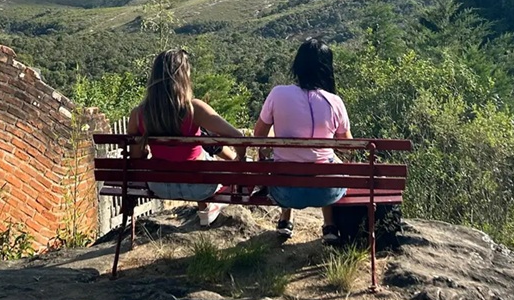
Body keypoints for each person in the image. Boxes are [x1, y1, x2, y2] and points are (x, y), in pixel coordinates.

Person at [127, 48, 246, 227]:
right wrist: (241, 160)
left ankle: (206, 210)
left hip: (160, 186)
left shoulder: (138, 114)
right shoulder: (194, 109)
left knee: (200, 155)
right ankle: (208, 208)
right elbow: (238, 137)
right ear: (183, 77)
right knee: (206, 155)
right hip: (199, 187)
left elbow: (136, 158)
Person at [253, 37, 351, 243]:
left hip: (285, 193)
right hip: (327, 194)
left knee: (285, 162)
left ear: (297, 65)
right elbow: (347, 147)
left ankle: (285, 218)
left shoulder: (278, 93)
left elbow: (259, 135)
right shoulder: (335, 102)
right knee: (328, 161)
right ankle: (329, 225)